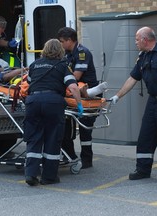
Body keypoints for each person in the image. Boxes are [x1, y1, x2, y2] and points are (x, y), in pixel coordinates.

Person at [110, 26, 157, 182]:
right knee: (146, 135)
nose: (136, 42)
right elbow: (133, 78)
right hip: (153, 101)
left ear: (145, 39)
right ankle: (143, 169)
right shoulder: (142, 57)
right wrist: (117, 96)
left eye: (137, 39)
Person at [23, 39, 83, 186]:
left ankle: (31, 174)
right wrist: (79, 104)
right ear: (60, 51)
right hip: (53, 103)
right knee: (52, 139)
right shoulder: (63, 66)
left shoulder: (35, 64)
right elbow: (74, 87)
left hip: (33, 102)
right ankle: (49, 177)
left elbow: (29, 83)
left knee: (34, 138)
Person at [58, 27, 103, 169]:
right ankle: (69, 156)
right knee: (65, 127)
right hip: (73, 93)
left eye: (62, 42)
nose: (61, 45)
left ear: (70, 41)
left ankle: (87, 160)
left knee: (85, 129)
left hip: (88, 94)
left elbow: (75, 76)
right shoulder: (67, 53)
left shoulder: (82, 53)